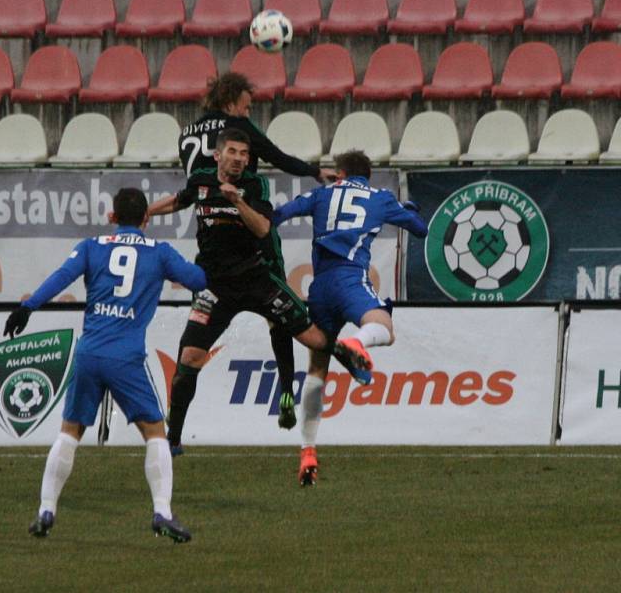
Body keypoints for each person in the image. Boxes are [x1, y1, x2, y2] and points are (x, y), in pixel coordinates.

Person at [148, 129, 372, 456]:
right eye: (233, 152)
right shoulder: (201, 179)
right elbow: (180, 200)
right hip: (214, 285)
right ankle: (173, 439)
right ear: (218, 155)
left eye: (244, 153)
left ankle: (346, 354)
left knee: (312, 338)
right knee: (189, 358)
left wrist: (237, 201)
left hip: (256, 278)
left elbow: (263, 228)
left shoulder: (253, 185)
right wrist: (146, 213)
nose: (239, 158)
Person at [4, 187, 207, 544]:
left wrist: (28, 307)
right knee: (155, 432)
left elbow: (60, 277)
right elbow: (198, 281)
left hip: (89, 353)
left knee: (70, 431)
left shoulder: (91, 246)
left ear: (112, 217)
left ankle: (46, 509)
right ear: (147, 218)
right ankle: (162, 512)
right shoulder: (160, 253)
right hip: (126, 357)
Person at [178, 72, 338, 431]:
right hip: (249, 226)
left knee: (201, 322)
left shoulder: (187, 131)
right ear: (233, 101)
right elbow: (277, 157)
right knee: (276, 306)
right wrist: (314, 171)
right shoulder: (238, 128)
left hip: (212, 229)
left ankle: (175, 427)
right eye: (247, 107)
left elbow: (192, 184)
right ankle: (285, 390)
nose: (248, 114)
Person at [271, 150, 429, 486]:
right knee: (383, 329)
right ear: (367, 175)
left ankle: (308, 451)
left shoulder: (320, 193)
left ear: (339, 172)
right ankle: (355, 343)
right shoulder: (381, 197)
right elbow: (421, 230)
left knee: (316, 367)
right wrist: (410, 210)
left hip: (319, 286)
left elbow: (278, 216)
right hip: (349, 279)